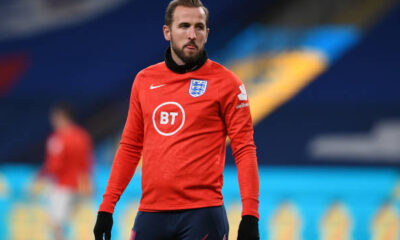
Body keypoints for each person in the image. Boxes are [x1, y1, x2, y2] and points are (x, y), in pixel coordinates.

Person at [93, 0, 260, 239]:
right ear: (167, 32)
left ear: (207, 33)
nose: (192, 34)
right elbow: (130, 147)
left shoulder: (228, 84)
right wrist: (106, 209)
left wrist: (250, 216)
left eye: (199, 27)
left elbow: (245, 150)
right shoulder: (144, 80)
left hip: (203, 214)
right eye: (184, 26)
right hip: (151, 213)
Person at [33, 102, 93, 240]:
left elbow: (53, 166)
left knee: (55, 224)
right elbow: (86, 163)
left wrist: (39, 178)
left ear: (61, 117)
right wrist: (87, 183)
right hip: (79, 187)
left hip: (62, 187)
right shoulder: (82, 136)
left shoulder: (58, 138)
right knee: (73, 223)